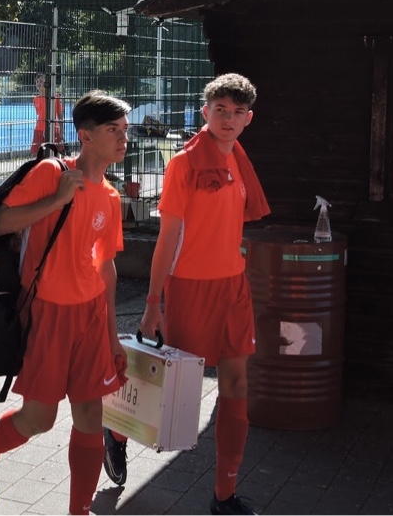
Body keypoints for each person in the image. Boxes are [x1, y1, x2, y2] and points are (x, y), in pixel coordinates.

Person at [114, 73, 269, 516]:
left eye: (237, 112)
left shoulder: (239, 157)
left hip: (233, 286)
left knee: (236, 384)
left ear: (248, 118)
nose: (228, 118)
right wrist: (152, 304)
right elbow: (167, 238)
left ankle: (224, 495)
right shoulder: (184, 164)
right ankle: (117, 431)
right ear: (205, 112)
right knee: (168, 384)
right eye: (220, 110)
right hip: (190, 288)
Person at [0, 90, 130, 513]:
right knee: (40, 418)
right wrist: (56, 199)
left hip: (91, 315)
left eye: (124, 129)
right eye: (113, 130)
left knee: (90, 416)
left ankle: (79, 511)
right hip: (48, 313)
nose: (123, 138)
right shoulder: (51, 171)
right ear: (86, 136)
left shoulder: (111, 196)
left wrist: (112, 337)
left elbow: (106, 268)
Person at [31, 72, 65, 155]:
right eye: (37, 82)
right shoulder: (35, 99)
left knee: (57, 153)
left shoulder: (55, 97)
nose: (39, 84)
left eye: (41, 81)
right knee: (35, 153)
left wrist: (61, 131)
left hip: (53, 128)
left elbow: (60, 114)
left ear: (46, 83)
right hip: (39, 129)